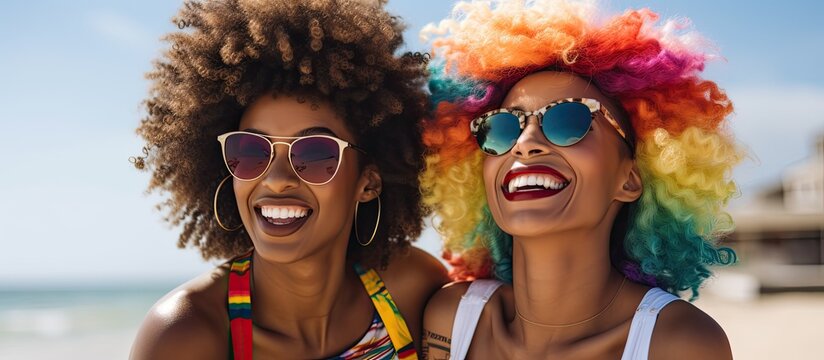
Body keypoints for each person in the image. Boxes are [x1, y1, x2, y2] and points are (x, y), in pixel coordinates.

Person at [419, 1, 743, 359]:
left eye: (568, 120)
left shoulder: (680, 343)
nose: (524, 143)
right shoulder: (451, 318)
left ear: (629, 180)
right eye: (502, 128)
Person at [129, 0, 448, 358]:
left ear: (367, 183)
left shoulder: (414, 289)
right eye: (251, 151)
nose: (276, 179)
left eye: (315, 153)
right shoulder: (186, 334)